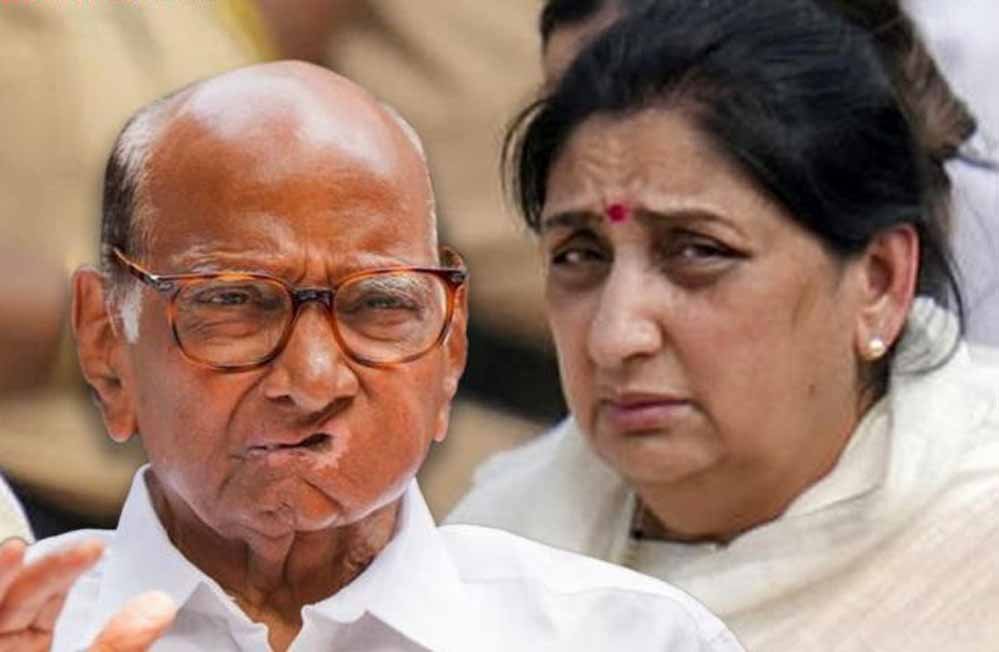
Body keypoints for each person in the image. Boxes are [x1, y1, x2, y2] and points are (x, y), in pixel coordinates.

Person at [24, 61, 742, 652]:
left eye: (378, 306)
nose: (312, 382)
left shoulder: (627, 638)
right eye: (236, 302)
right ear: (107, 345)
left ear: (450, 351)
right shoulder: (29, 630)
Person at [448, 1, 999, 649]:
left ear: (878, 282)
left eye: (697, 251)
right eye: (579, 257)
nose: (614, 336)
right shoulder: (495, 554)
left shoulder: (975, 555)